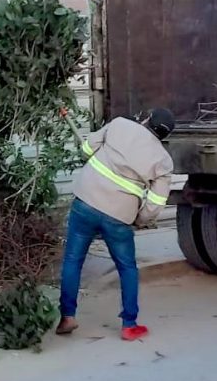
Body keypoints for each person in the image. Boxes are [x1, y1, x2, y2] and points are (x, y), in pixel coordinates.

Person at [57, 109, 175, 342]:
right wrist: (138, 219)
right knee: (127, 268)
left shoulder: (119, 125)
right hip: (119, 217)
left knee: (72, 260)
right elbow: (156, 203)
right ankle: (129, 325)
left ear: (147, 119)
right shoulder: (163, 161)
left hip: (86, 202)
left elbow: (86, 149)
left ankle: (67, 317)